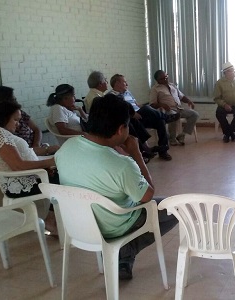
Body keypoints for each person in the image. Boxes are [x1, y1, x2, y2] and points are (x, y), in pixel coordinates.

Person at [54, 93, 178, 280]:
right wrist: (136, 153)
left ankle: (122, 257)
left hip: (78, 224)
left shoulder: (66, 148)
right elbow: (148, 195)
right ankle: (126, 252)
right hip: (113, 227)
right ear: (121, 129)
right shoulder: (122, 164)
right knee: (174, 207)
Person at [0, 100, 59, 234]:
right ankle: (53, 219)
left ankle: (52, 217)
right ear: (4, 118)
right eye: (15, 120)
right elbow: (18, 165)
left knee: (61, 173)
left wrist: (47, 155)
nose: (18, 124)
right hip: (21, 184)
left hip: (27, 177)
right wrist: (50, 162)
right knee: (68, 177)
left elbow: (23, 156)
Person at [109, 74, 178, 161]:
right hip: (130, 118)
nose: (127, 84)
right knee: (149, 109)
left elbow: (137, 105)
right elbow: (118, 113)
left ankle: (163, 150)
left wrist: (147, 107)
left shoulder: (128, 92)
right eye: (125, 82)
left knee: (160, 121)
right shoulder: (111, 96)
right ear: (117, 83)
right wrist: (134, 113)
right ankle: (166, 117)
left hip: (140, 115)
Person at [0, 86, 59, 156]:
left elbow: (37, 130)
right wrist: (44, 152)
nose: (16, 102)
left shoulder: (19, 113)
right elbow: (20, 156)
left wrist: (36, 145)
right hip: (28, 155)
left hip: (37, 150)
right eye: (13, 100)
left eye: (15, 99)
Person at [150, 70, 199, 146]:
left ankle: (182, 135)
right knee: (173, 116)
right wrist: (162, 105)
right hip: (168, 110)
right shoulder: (155, 89)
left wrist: (189, 101)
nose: (165, 79)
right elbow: (152, 104)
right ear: (157, 80)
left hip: (179, 108)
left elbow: (181, 96)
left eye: (166, 77)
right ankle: (172, 139)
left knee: (194, 114)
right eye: (162, 78)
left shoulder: (172, 85)